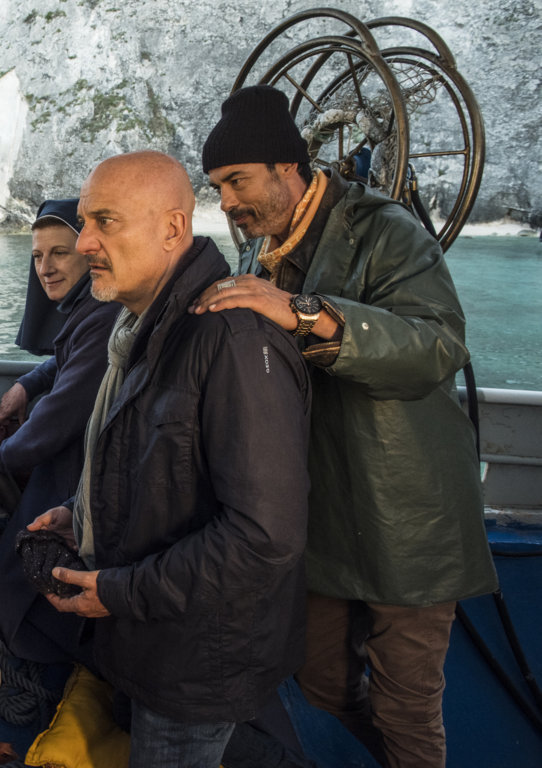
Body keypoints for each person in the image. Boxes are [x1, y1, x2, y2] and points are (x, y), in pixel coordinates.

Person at [196, 85, 499, 768]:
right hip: (322, 518)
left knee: (406, 705)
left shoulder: (388, 231)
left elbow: (438, 346)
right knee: (322, 682)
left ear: (287, 167)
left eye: (237, 180)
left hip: (408, 515)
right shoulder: (257, 252)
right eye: (217, 187)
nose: (227, 202)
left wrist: (306, 312)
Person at [34, 151, 312, 767]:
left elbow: (264, 536)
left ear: (172, 229)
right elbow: (156, 464)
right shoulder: (142, 327)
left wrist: (121, 591)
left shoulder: (231, 340)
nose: (84, 243)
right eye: (85, 223)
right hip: (154, 636)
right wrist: (81, 513)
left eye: (105, 222)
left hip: (198, 660)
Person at [0, 198, 118, 665]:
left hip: (84, 471)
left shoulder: (104, 315)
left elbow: (57, 418)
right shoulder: (90, 309)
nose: (45, 268)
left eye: (59, 253)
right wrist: (26, 384)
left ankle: (42, 654)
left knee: (14, 573)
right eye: (37, 256)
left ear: (90, 252)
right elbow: (64, 361)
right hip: (77, 458)